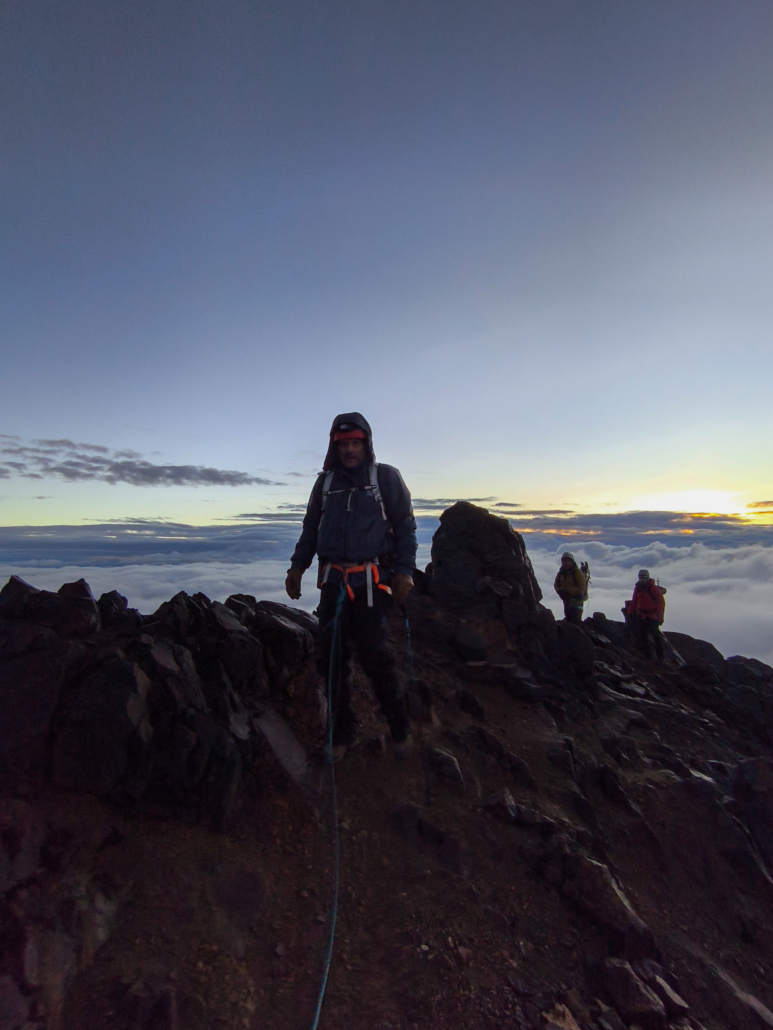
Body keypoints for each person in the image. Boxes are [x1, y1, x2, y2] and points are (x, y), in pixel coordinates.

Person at [285, 413, 417, 758]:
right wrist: (298, 566)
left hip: (373, 581)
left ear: (366, 444)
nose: (350, 450)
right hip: (333, 581)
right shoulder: (326, 483)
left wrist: (404, 572)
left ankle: (399, 727)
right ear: (334, 446)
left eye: (356, 443)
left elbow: (405, 528)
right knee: (331, 658)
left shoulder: (384, 478)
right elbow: (311, 527)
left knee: (374, 655)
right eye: (343, 444)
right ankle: (342, 733)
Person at [630, 569, 665, 662]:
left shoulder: (653, 589)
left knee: (655, 634)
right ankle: (647, 655)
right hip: (642, 615)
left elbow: (660, 603)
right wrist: (630, 612)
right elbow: (634, 600)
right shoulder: (638, 588)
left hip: (653, 616)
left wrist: (659, 618)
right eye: (640, 577)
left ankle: (660, 657)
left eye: (644, 577)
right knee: (643, 635)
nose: (642, 579)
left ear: (647, 577)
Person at [554, 552, 587, 626]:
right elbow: (556, 584)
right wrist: (559, 591)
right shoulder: (560, 573)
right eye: (564, 561)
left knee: (575, 620)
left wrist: (566, 591)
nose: (565, 563)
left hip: (577, 600)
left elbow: (582, 587)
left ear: (572, 562)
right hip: (566, 599)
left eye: (567, 561)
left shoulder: (577, 572)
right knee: (568, 618)